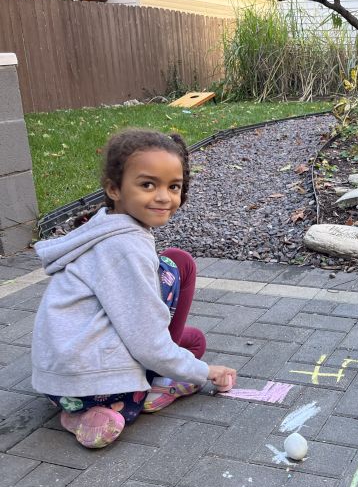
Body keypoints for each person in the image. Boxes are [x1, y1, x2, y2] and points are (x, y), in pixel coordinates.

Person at [32, 129, 237, 449]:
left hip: (58, 384)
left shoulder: (99, 228)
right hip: (97, 386)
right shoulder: (127, 247)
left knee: (193, 340)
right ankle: (156, 387)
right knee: (175, 265)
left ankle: (81, 412)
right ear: (114, 188)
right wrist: (203, 372)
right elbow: (146, 341)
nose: (163, 197)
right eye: (147, 184)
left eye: (174, 186)